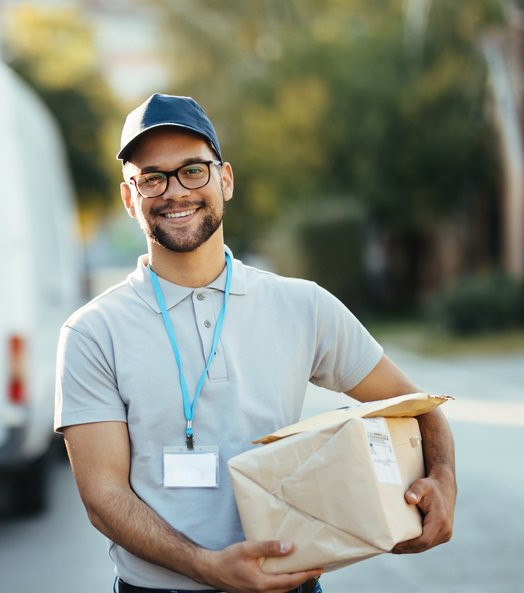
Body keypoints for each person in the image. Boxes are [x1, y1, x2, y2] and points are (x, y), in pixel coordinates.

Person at [53, 93, 456, 593]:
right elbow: (102, 494)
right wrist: (205, 565)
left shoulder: (302, 305)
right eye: (152, 177)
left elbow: (415, 407)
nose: (175, 191)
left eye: (193, 171)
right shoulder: (93, 332)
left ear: (225, 178)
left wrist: (442, 478)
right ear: (130, 197)